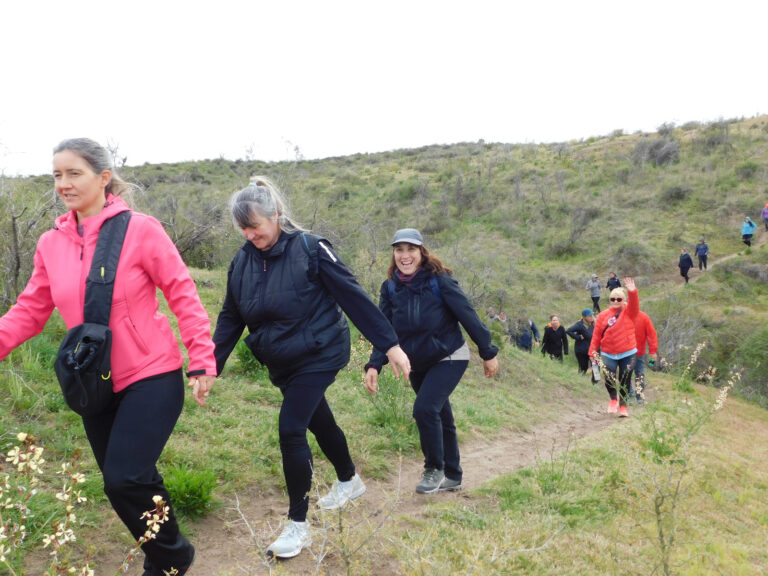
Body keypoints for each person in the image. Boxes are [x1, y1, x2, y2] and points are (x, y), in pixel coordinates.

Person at [0, 138, 216, 576]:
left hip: (150, 372)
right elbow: (30, 309)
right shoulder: (50, 243)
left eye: (73, 173)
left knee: (125, 477)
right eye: (57, 174)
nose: (63, 183)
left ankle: (171, 556)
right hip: (92, 379)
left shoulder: (141, 229)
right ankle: (164, 551)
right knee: (124, 482)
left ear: (102, 178)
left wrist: (201, 356)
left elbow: (182, 291)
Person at [212, 177, 410, 560]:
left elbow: (353, 297)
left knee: (291, 427)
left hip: (321, 350)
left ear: (277, 215)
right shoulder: (242, 261)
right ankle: (349, 480)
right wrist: (209, 365)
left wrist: (390, 346)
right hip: (282, 358)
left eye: (256, 226)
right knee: (317, 419)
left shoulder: (311, 248)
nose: (251, 235)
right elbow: (231, 315)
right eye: (244, 228)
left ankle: (297, 526)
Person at [364, 228, 499, 495]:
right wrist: (374, 364)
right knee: (440, 415)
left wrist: (488, 352)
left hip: (450, 355)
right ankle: (453, 475)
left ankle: (434, 468)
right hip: (417, 362)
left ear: (421, 252)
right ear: (394, 254)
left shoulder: (440, 282)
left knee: (425, 410)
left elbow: (468, 315)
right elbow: (384, 328)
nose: (405, 255)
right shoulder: (391, 287)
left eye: (410, 249)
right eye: (399, 250)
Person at [588, 278, 639, 418]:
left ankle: (623, 406)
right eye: (613, 299)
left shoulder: (629, 312)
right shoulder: (603, 315)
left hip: (628, 352)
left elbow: (634, 305)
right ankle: (613, 399)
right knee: (609, 377)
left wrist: (632, 291)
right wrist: (592, 351)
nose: (616, 301)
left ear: (623, 300)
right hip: (608, 352)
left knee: (625, 379)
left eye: (619, 299)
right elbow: (596, 335)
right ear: (610, 299)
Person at [629, 310, 658, 405]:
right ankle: (629, 394)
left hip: (639, 352)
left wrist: (652, 351)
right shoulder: (620, 316)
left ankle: (639, 394)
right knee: (625, 374)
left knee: (639, 374)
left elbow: (651, 334)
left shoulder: (644, 317)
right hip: (624, 352)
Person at [566, 309, 596, 380]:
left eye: (592, 315)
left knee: (596, 367)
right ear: (584, 317)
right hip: (581, 351)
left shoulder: (594, 324)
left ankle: (595, 383)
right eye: (590, 315)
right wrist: (578, 337)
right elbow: (569, 331)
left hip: (593, 350)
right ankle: (579, 382)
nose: (592, 316)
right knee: (583, 368)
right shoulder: (579, 324)